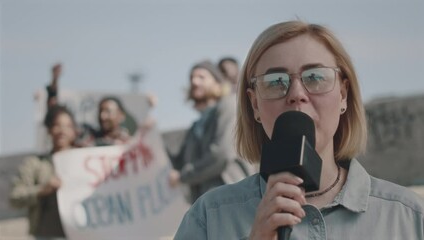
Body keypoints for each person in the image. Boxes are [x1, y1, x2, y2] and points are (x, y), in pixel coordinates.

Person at [174, 21, 424, 239]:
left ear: (343, 94)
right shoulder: (208, 218)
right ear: (255, 105)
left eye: (315, 77)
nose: (296, 95)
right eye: (275, 82)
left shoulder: (409, 216)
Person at [168, 60, 254, 204]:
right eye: (192, 78)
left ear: (217, 83)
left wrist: (183, 177)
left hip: (232, 202)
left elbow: (222, 154)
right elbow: (176, 164)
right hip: (206, 207)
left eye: (201, 77)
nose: (194, 81)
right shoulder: (195, 128)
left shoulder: (229, 107)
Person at [10, 106, 77, 240]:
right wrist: (42, 190)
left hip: (80, 234)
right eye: (57, 125)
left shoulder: (85, 163)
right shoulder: (34, 164)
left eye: (67, 126)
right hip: (45, 235)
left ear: (74, 131)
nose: (62, 131)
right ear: (49, 130)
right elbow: (15, 197)